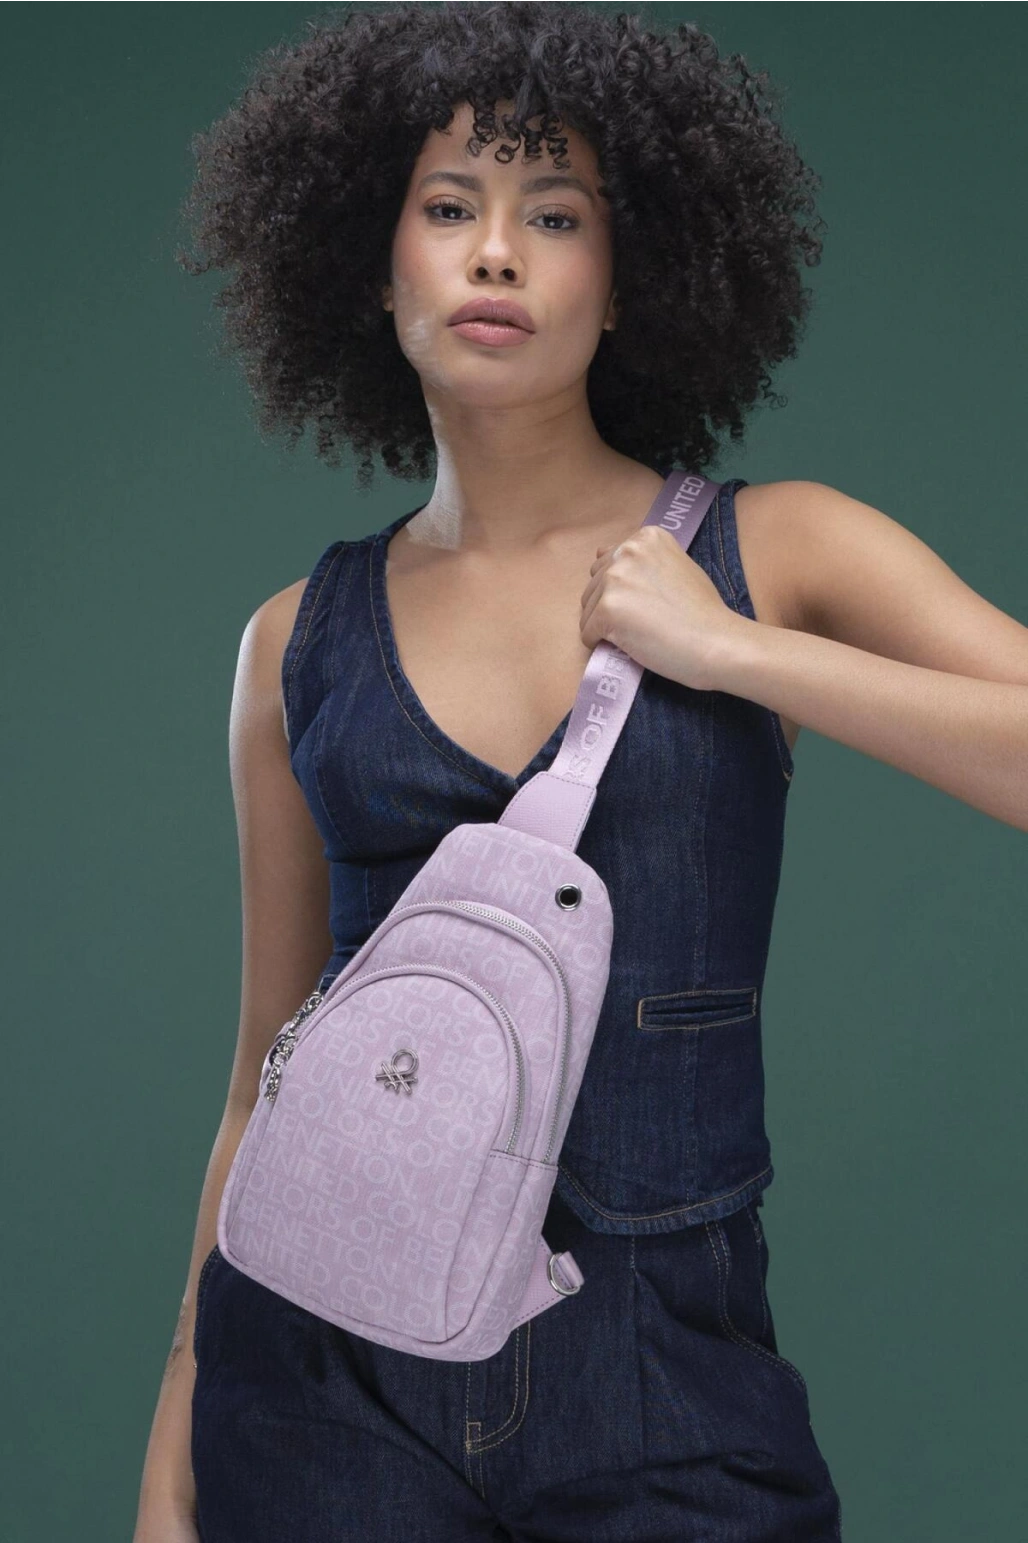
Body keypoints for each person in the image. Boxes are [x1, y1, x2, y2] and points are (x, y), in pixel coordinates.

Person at [133, 2, 1028, 1539]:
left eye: (555, 216)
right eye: (448, 208)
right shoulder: (293, 641)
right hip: (320, 1391)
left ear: (626, 282)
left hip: (665, 1385)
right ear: (375, 265)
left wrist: (736, 651)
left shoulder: (778, 549)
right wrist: (172, 1461)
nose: (497, 254)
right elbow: (261, 1077)